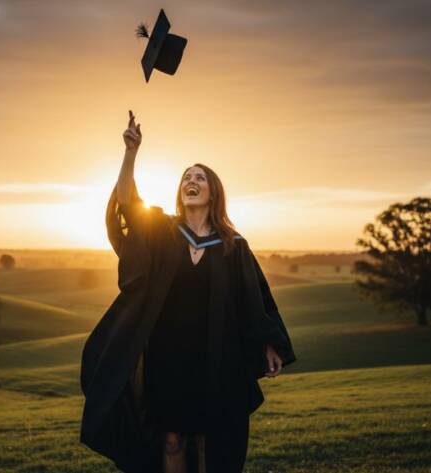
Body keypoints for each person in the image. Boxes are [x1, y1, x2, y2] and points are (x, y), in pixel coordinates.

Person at [80, 110, 297, 473]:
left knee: (207, 438)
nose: (190, 182)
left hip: (216, 356)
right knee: (172, 438)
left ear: (213, 192)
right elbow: (128, 203)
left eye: (199, 178)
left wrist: (269, 342)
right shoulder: (163, 232)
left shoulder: (232, 245)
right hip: (168, 355)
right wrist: (130, 152)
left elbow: (254, 298)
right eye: (185, 178)